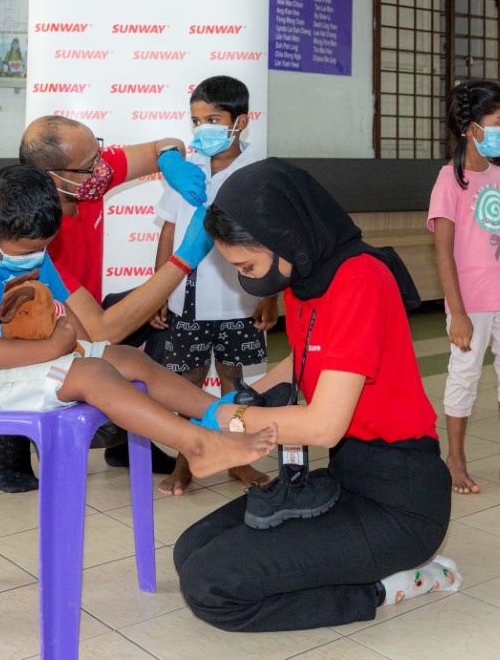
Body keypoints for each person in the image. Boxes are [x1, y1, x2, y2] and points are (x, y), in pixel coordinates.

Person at [173, 158, 457, 632]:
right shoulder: (305, 279)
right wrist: (234, 401)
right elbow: (302, 364)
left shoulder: (359, 280)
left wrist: (231, 423)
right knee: (190, 551)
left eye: (248, 266)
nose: (247, 280)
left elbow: (325, 424)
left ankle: (390, 585)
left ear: (284, 236)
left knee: (210, 587)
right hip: (345, 478)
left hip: (400, 502)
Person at [0, 165, 277, 481]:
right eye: (29, 250)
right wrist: (54, 349)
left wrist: (80, 345)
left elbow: (81, 326)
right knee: (92, 374)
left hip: (24, 359)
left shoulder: (20, 244)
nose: (37, 257)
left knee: (127, 358)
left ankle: (222, 413)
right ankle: (198, 445)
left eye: (44, 247)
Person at [0, 115, 213, 493]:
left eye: (99, 153)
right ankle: (12, 448)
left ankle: (126, 438)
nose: (102, 169)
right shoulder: (39, 232)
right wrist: (181, 261)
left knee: (163, 312)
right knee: (38, 335)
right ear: (51, 177)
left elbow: (165, 144)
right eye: (90, 164)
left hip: (86, 311)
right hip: (40, 324)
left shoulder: (86, 183)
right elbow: (101, 331)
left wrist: (172, 161)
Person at [151, 76, 278, 496]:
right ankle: (187, 460)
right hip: (186, 298)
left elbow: (273, 239)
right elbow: (168, 231)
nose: (202, 128)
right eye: (196, 120)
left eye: (213, 119)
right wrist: (157, 290)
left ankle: (239, 460)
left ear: (239, 122)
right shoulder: (187, 171)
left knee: (234, 383)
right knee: (187, 384)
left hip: (241, 300)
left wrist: (270, 296)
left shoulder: (259, 173)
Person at [427, 80, 500, 495]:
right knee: (464, 376)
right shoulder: (448, 183)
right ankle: (456, 458)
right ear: (472, 127)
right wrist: (459, 312)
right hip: (470, 303)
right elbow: (444, 254)